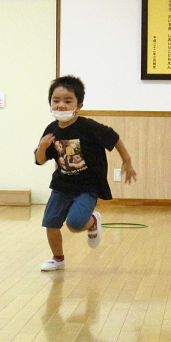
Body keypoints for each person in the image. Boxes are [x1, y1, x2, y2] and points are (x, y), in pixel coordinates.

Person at [35, 75, 137, 271]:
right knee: (51, 223)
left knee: (74, 224)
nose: (61, 105)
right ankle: (58, 258)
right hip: (61, 185)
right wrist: (41, 147)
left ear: (78, 105)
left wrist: (127, 161)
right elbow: (40, 160)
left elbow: (113, 138)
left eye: (67, 101)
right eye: (56, 101)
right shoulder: (51, 130)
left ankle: (92, 221)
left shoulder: (88, 127)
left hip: (87, 187)